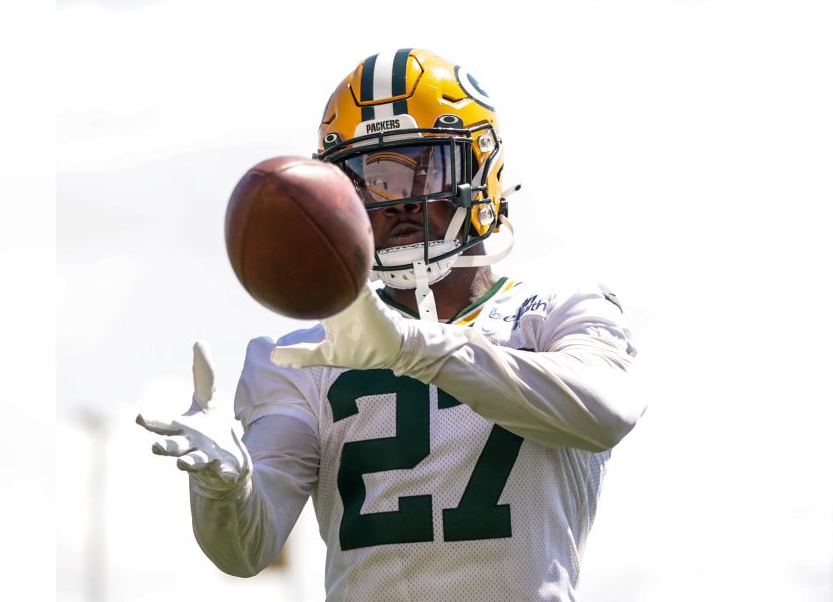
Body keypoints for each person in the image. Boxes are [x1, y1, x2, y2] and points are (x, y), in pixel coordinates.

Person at [136, 48, 646, 601]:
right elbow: (245, 550)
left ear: (484, 173)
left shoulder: (557, 309)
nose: (400, 201)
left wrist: (411, 348)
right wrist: (225, 488)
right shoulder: (303, 354)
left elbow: (606, 413)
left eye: (427, 166)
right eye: (372, 179)